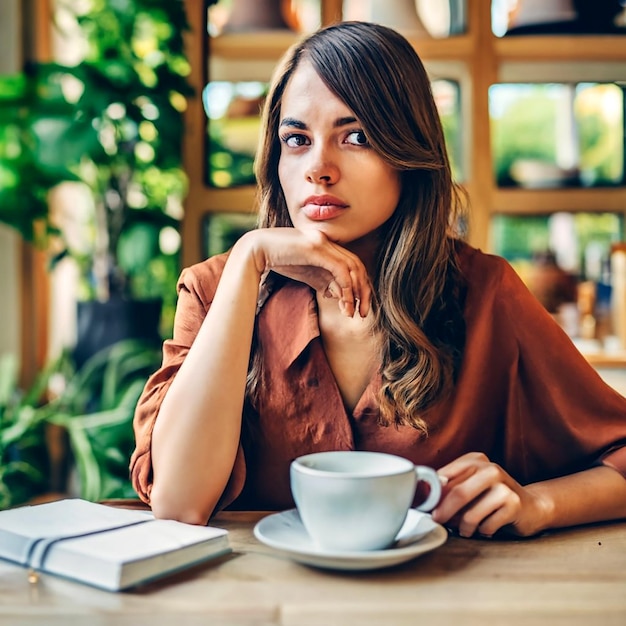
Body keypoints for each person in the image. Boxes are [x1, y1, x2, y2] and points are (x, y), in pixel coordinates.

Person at [131, 21, 626, 538]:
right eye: (296, 139)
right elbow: (180, 502)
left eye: (356, 137)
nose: (318, 168)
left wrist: (539, 504)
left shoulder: (485, 291)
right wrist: (248, 260)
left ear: (407, 153)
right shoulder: (214, 289)